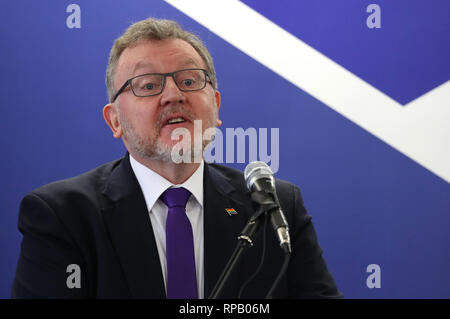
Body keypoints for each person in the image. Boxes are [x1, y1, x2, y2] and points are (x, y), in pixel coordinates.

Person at [11, 17, 342, 299]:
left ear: (216, 105)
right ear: (114, 121)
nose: (173, 95)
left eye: (188, 80)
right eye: (148, 85)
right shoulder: (64, 216)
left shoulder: (273, 206)